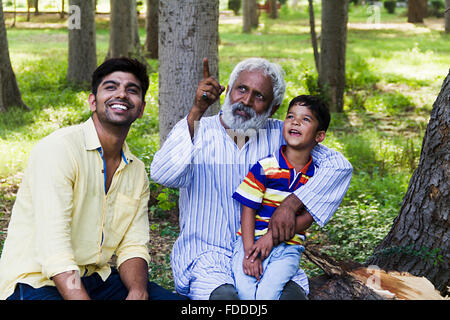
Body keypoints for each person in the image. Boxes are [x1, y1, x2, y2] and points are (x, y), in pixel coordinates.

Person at [150, 57, 352, 300]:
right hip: (208, 256)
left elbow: (339, 167)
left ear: (273, 108)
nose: (245, 101)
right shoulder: (199, 129)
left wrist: (291, 204)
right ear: (229, 89)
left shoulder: (282, 134)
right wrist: (197, 111)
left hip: (268, 252)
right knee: (226, 299)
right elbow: (161, 173)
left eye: (259, 96)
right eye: (241, 89)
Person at [0, 57, 186, 300]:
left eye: (132, 90)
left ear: (140, 109)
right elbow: (54, 247)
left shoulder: (136, 170)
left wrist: (138, 292)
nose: (121, 94)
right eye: (111, 87)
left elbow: (133, 245)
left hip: (97, 280)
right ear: (92, 101)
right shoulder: (59, 149)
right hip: (36, 282)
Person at [231, 95, 330, 300]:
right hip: (250, 242)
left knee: (268, 294)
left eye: (305, 119)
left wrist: (272, 239)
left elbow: (307, 219)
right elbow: (248, 209)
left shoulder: (316, 177)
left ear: (319, 136)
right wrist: (250, 252)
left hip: (288, 249)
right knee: (245, 293)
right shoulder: (266, 166)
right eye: (291, 116)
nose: (295, 122)